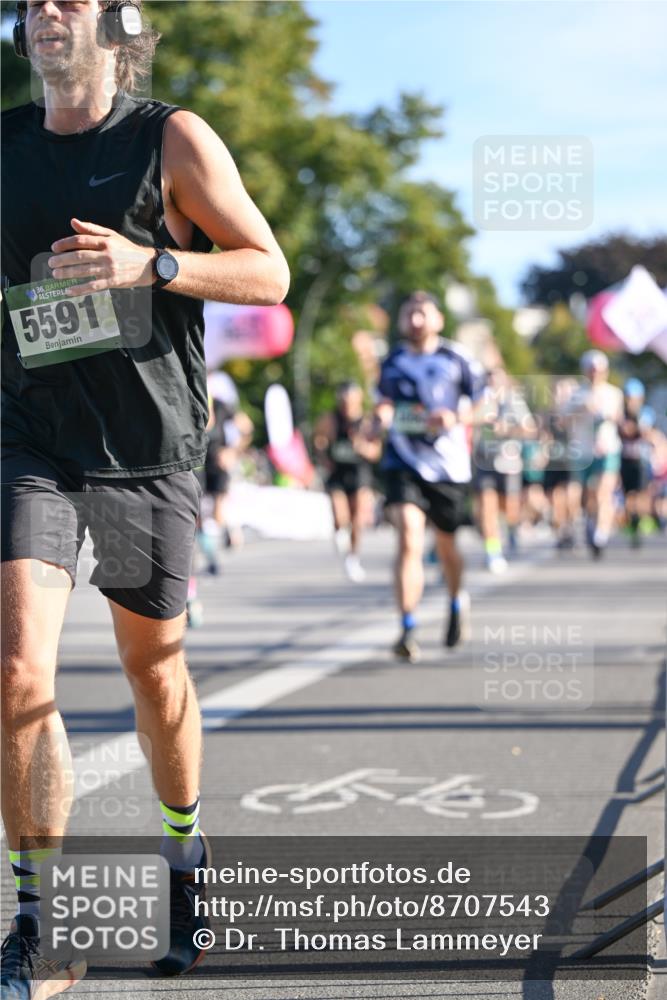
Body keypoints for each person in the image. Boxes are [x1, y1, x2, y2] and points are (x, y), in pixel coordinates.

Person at [0, 1, 289, 994]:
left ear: (118, 23)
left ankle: (184, 856)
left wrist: (152, 263)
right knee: (14, 669)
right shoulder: (3, 142)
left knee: (152, 668)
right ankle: (42, 920)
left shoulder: (169, 138)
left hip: (143, 447)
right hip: (28, 440)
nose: (43, 13)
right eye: (30, 0)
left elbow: (269, 270)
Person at [375, 291, 485, 662]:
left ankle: (456, 599)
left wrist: (457, 418)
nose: (415, 320)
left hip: (448, 467)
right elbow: (383, 401)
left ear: (438, 319)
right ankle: (407, 626)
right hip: (403, 461)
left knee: (447, 548)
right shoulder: (391, 361)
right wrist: (381, 417)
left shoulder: (457, 358)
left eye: (422, 313)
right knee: (409, 537)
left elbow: (486, 404)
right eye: (409, 313)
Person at [314, 381, 380, 582]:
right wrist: (323, 454)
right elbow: (318, 439)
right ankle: (339, 531)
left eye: (350, 402)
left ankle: (353, 557)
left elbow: (376, 451)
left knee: (358, 518)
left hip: (359, 472)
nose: (347, 406)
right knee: (340, 513)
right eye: (343, 402)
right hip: (338, 472)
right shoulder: (331, 419)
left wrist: (362, 448)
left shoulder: (367, 422)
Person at [472, 366, 536, 573]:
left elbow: (530, 429)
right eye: (489, 380)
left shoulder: (514, 401)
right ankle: (493, 552)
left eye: (496, 380)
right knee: (487, 508)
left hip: (508, 463)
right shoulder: (479, 400)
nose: (492, 384)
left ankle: (512, 529)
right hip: (484, 461)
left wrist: (506, 429)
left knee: (509, 509)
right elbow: (467, 419)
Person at [566, 351, 623, 558]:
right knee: (588, 496)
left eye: (599, 370)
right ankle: (591, 525)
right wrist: (581, 408)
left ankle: (600, 535)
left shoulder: (613, 393)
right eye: (592, 370)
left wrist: (607, 414)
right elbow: (562, 421)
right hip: (583, 451)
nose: (595, 374)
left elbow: (619, 419)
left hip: (607, 449)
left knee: (603, 492)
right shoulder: (576, 394)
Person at [618, 378, 656, 547]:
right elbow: (622, 430)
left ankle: (639, 520)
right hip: (625, 459)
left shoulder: (645, 413)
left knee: (641, 494)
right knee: (628, 495)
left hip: (641, 460)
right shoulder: (620, 413)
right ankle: (631, 521)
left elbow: (645, 432)